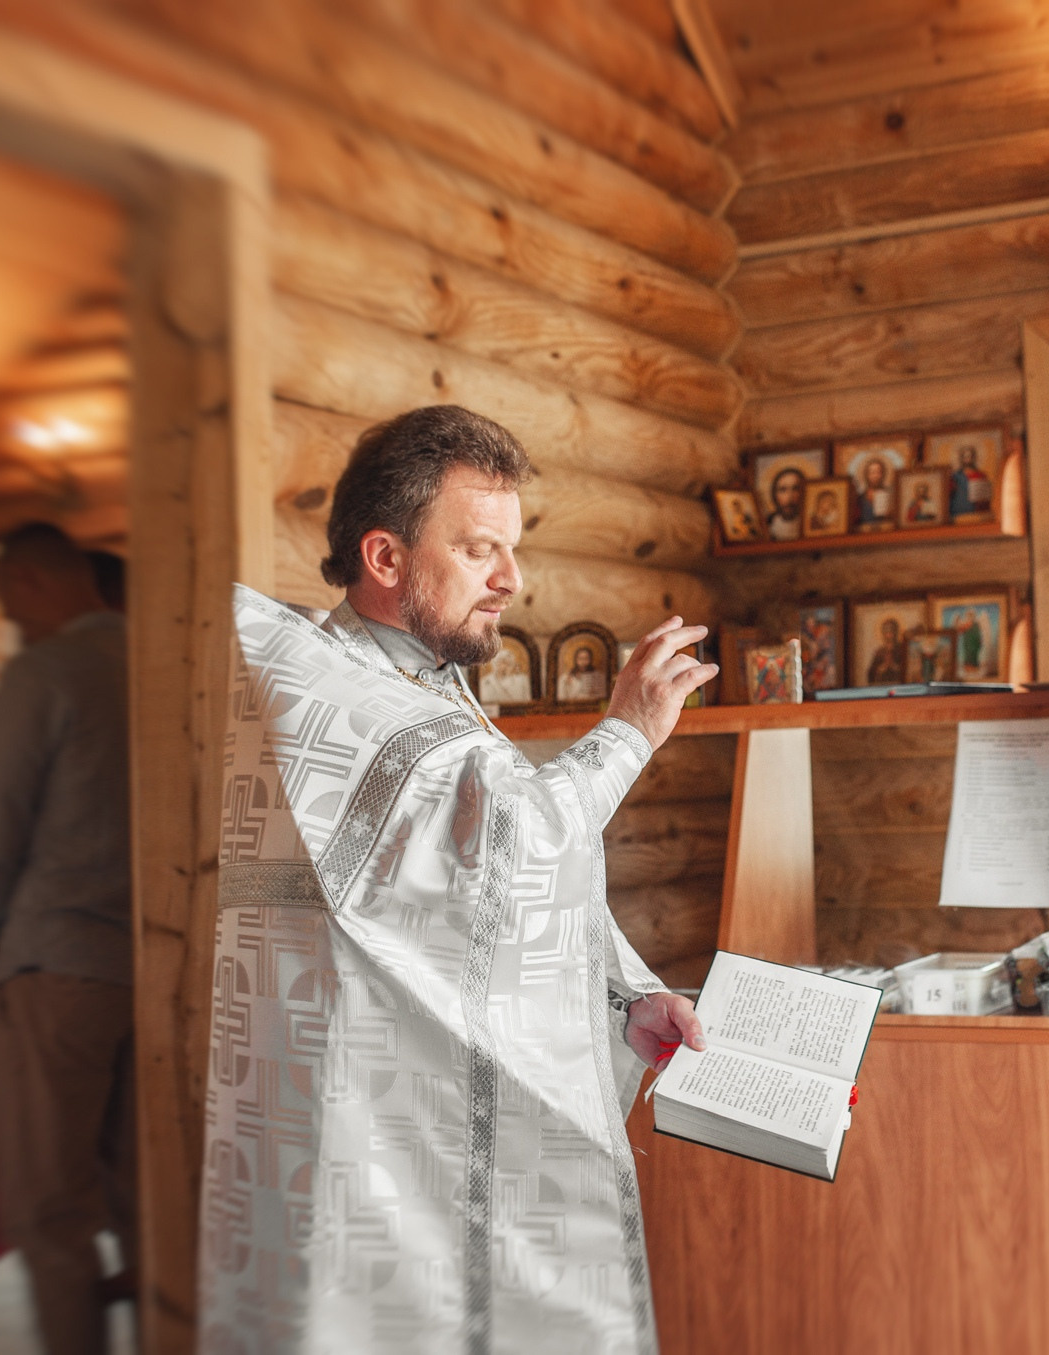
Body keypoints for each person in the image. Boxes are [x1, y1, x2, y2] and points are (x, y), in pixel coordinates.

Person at [203, 405, 714, 1353]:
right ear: (386, 558)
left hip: (441, 1130)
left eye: (508, 550)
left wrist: (620, 997)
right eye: (481, 549)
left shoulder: (430, 687)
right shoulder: (335, 694)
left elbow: (493, 894)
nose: (511, 579)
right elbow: (514, 838)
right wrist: (628, 730)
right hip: (377, 1140)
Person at [0, 522, 136, 1355]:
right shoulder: (160, 663)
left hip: (54, 963)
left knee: (49, 1208)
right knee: (149, 1198)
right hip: (152, 964)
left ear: (29, 580)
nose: (12, 625)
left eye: (8, 606)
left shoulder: (43, 672)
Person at [948, 444, 993, 520]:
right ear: (961, 458)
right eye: (965, 457)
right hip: (958, 513)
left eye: (970, 456)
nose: (968, 459)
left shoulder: (981, 475)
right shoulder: (955, 476)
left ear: (974, 458)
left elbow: (986, 498)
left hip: (977, 514)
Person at [766, 467, 807, 540]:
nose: (790, 496)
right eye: (783, 490)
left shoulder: (810, 524)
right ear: (774, 494)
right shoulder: (767, 524)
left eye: (795, 489)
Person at [865, 615, 905, 684]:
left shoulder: (902, 650)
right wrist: (881, 669)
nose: (889, 635)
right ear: (883, 633)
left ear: (896, 632)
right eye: (886, 631)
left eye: (891, 631)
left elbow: (908, 672)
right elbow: (870, 675)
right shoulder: (879, 652)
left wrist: (895, 667)